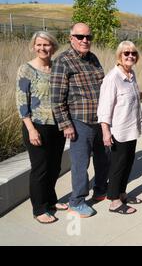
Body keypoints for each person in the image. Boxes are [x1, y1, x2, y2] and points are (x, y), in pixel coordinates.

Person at [50, 23, 110, 218]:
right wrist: (66, 124)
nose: (85, 40)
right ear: (71, 38)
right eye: (80, 36)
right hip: (79, 121)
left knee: (103, 158)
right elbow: (57, 97)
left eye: (88, 37)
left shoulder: (93, 58)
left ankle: (100, 190)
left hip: (99, 120)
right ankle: (77, 201)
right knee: (80, 163)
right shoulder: (63, 61)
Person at [16, 31, 67, 224]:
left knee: (54, 167)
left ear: (53, 47)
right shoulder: (26, 69)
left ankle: (51, 201)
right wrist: (30, 129)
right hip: (37, 126)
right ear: (33, 46)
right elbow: (22, 102)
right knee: (40, 168)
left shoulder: (57, 68)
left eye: (46, 45)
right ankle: (39, 208)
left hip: (58, 126)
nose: (43, 48)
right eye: (39, 45)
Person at [97, 41, 142, 215]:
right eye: (126, 53)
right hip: (119, 131)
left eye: (133, 53)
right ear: (119, 55)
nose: (130, 56)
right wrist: (105, 131)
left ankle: (122, 194)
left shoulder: (131, 75)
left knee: (127, 163)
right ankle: (114, 201)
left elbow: (133, 96)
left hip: (132, 129)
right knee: (118, 165)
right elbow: (104, 108)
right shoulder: (113, 78)